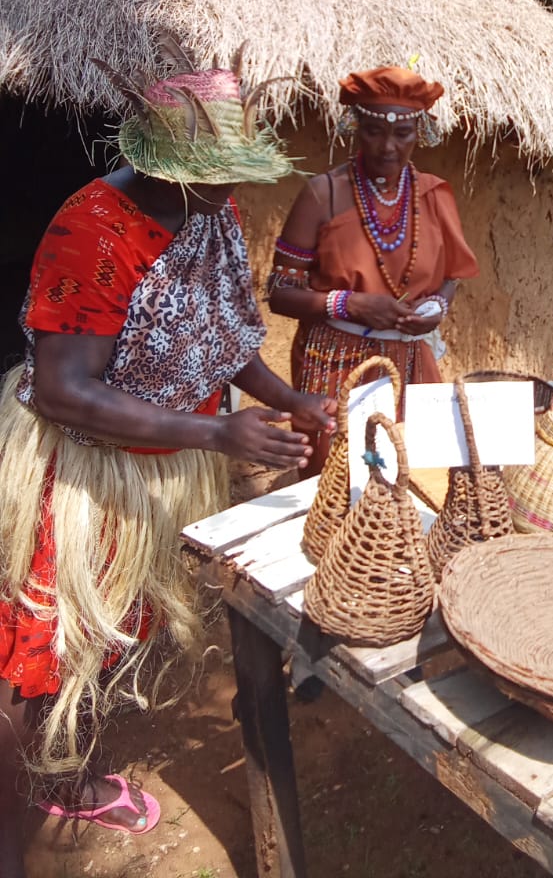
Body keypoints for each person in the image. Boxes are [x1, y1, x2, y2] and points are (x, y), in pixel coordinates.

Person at [0, 58, 335, 878]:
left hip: (159, 465)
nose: (228, 194)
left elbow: (222, 337)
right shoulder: (92, 229)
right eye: (210, 178)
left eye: (232, 177)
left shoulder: (207, 207)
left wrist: (293, 400)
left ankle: (66, 777)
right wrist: (219, 436)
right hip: (82, 474)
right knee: (33, 651)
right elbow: (63, 390)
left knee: (101, 642)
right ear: (155, 163)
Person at [269, 66, 479, 459]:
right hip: (335, 364)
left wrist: (438, 307)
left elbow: (451, 277)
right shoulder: (323, 195)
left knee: (411, 474)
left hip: (414, 362)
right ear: (355, 126)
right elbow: (279, 294)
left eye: (403, 134)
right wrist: (350, 304)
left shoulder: (434, 196)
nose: (387, 147)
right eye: (374, 131)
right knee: (336, 478)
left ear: (421, 133)